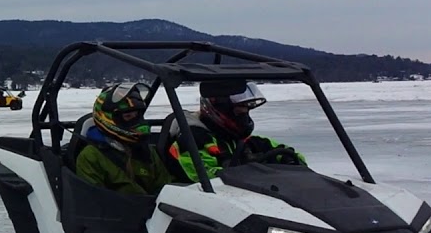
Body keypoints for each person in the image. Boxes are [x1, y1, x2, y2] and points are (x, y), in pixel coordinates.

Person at [167, 80, 305, 183]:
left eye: (246, 111)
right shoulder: (193, 141)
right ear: (220, 108)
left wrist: (289, 162)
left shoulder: (246, 141)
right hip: (202, 208)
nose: (244, 117)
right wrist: (247, 172)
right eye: (239, 111)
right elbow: (200, 175)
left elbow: (291, 154)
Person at [75, 82, 173, 196]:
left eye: (137, 115)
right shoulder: (91, 156)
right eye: (128, 116)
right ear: (108, 119)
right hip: (118, 212)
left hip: (152, 211)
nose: (136, 121)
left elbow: (165, 188)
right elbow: (94, 201)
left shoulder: (147, 151)